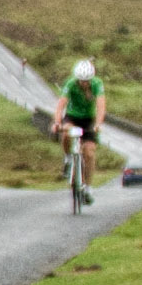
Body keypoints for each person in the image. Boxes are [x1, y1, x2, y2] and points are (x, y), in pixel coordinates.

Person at [52, 58, 105, 203]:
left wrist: (98, 124)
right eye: (81, 80)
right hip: (72, 117)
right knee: (66, 131)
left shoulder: (97, 84)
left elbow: (101, 106)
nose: (84, 83)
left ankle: (87, 188)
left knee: (89, 152)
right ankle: (68, 158)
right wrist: (57, 122)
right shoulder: (70, 83)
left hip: (88, 120)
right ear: (77, 78)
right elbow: (60, 105)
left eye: (87, 80)